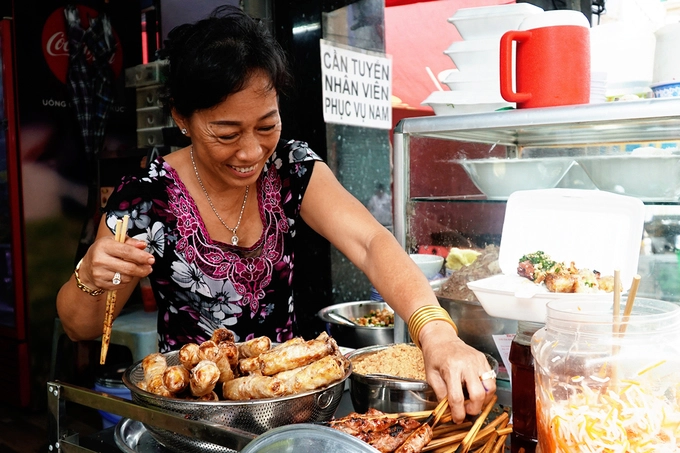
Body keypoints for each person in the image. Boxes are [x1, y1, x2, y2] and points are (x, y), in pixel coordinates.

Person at [56, 5, 495, 423]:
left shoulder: (290, 167)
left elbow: (370, 242)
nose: (251, 152)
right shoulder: (145, 199)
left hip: (291, 407)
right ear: (181, 118)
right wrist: (91, 279)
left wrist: (437, 332)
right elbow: (81, 328)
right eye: (226, 133)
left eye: (266, 126)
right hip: (195, 419)